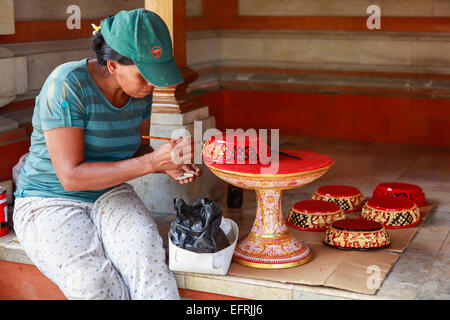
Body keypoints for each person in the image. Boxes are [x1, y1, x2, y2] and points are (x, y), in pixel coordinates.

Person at [13, 9, 201, 300]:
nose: (153, 84)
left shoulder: (140, 93)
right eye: (145, 75)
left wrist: (166, 165)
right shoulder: (65, 85)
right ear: (113, 65)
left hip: (109, 194)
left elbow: (134, 148)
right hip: (49, 200)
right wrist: (151, 162)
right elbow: (71, 178)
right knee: (94, 285)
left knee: (148, 264)